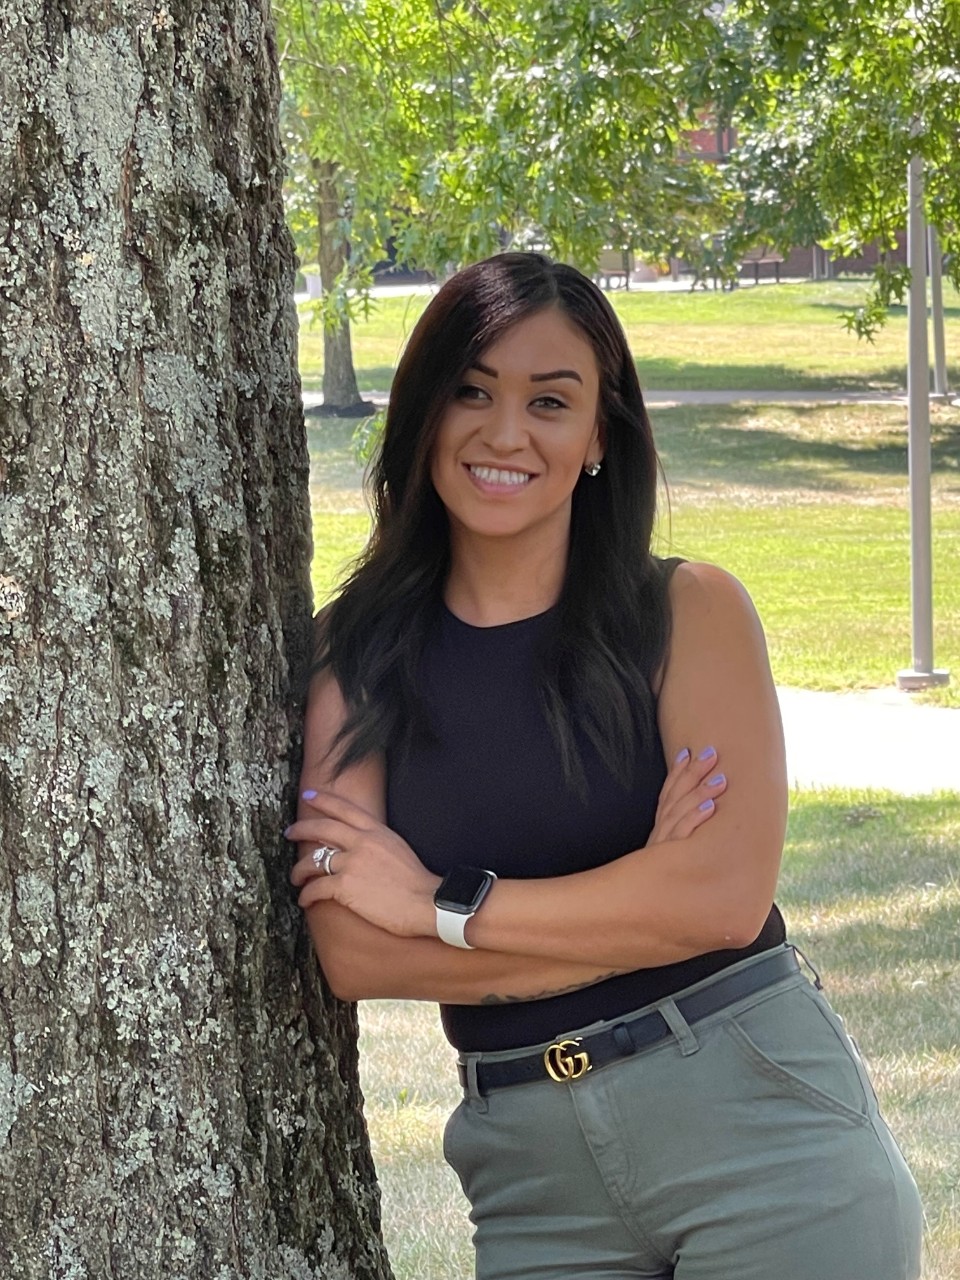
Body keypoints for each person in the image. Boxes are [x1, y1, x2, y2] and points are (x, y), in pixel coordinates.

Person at [287, 252, 923, 1279]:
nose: (505, 432)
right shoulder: (352, 654)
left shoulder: (689, 612)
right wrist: (639, 911)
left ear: (597, 435)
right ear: (424, 414)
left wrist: (440, 905)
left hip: (767, 1144)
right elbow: (357, 952)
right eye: (472, 391)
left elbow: (718, 898)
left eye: (550, 400)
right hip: (533, 1184)